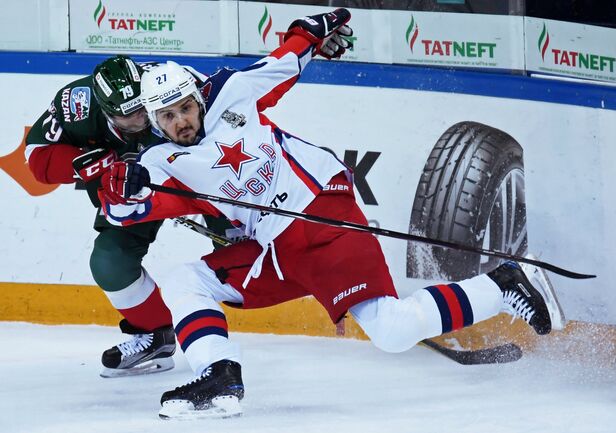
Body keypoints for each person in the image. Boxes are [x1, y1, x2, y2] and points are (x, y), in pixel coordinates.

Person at [98, 8, 564, 419]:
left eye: (185, 108)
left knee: (392, 330)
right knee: (185, 279)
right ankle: (219, 375)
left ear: (197, 98)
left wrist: (313, 30)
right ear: (154, 121)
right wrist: (120, 190)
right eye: (167, 117)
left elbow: (285, 61)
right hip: (276, 248)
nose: (181, 122)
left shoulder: (232, 92)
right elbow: (129, 210)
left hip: (320, 213)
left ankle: (504, 283)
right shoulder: (156, 162)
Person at [25, 55, 235, 378]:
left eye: (143, 107)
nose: (142, 118)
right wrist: (85, 162)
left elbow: (232, 121)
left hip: (202, 175)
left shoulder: (171, 85)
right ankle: (155, 333)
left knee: (244, 250)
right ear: (107, 112)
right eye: (130, 115)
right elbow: (36, 156)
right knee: (110, 262)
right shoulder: (79, 104)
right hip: (135, 190)